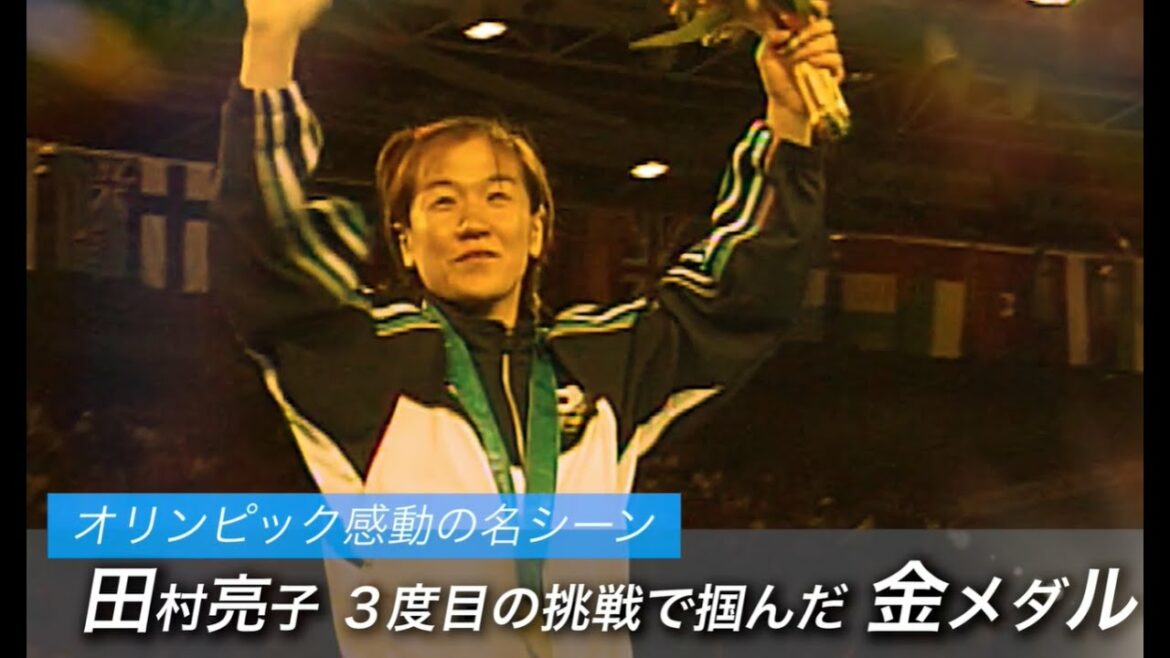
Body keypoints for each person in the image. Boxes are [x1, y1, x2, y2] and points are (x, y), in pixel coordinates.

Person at [212, 0, 844, 655]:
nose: (473, 221)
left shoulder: (600, 363)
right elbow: (262, 258)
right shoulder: (365, 360)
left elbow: (741, 295)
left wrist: (789, 118)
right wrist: (270, 43)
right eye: (442, 201)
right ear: (405, 243)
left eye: (497, 195)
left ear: (537, 230)